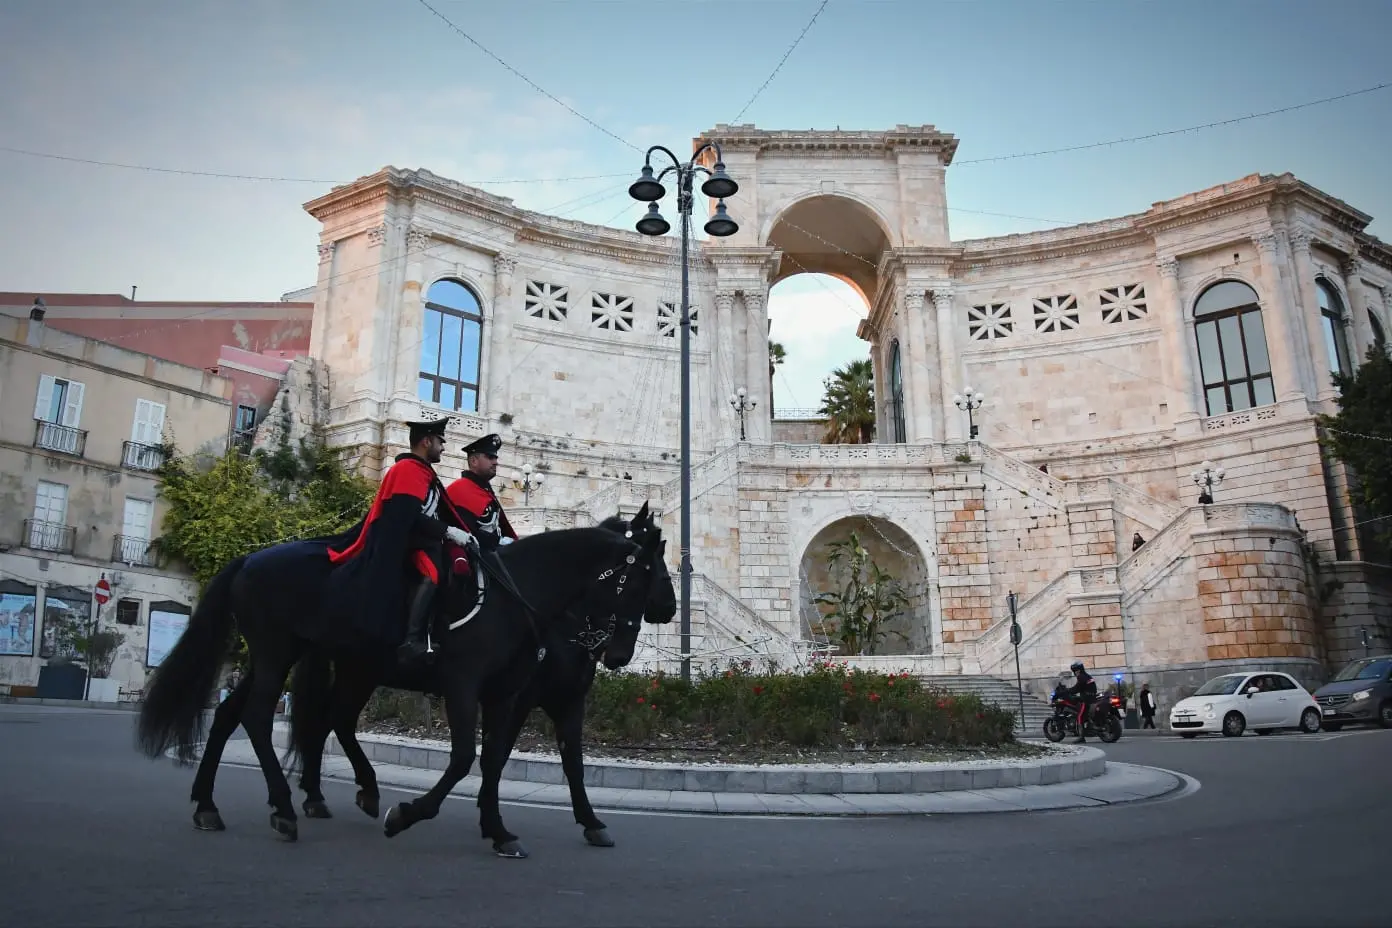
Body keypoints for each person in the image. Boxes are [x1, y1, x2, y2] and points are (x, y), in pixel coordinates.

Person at [324, 418, 474, 663]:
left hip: (425, 540)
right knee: (432, 574)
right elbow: (408, 515)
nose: (443, 448)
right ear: (427, 441)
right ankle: (412, 640)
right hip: (409, 543)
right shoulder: (408, 470)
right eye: (440, 442)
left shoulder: (422, 471)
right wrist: (447, 531)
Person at [446, 433, 519, 554]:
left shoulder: (485, 490)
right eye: (490, 457)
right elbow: (463, 530)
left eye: (496, 458)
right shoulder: (459, 489)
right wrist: (498, 541)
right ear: (474, 461)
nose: (496, 462)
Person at [1067, 661, 1098, 742]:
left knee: (1080, 717)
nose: (1074, 673)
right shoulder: (1088, 676)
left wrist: (1067, 691)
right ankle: (1089, 726)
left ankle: (1081, 737)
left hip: (1086, 700)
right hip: (1093, 699)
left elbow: (1076, 688)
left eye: (1074, 671)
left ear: (1077, 670)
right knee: (1084, 715)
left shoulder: (1081, 677)